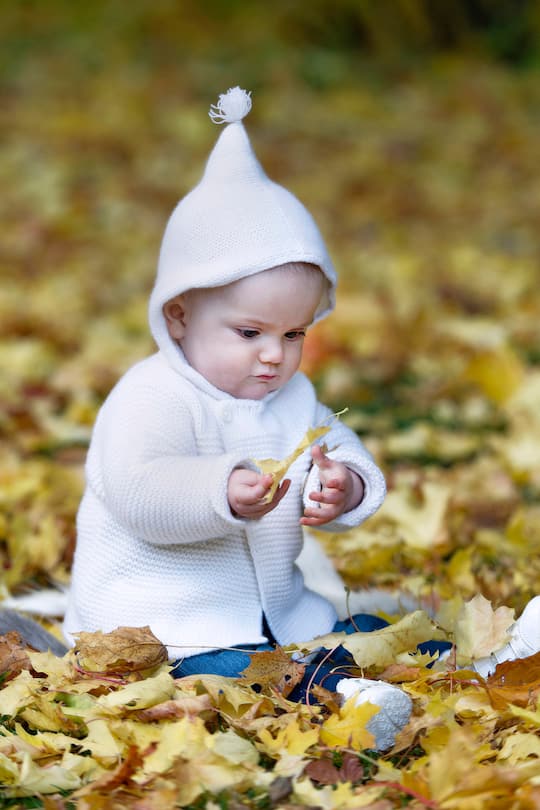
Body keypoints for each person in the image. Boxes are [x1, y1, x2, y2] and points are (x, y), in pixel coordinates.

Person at [61, 87, 540, 751]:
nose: (274, 355)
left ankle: (490, 665)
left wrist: (344, 485)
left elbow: (340, 448)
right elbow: (138, 491)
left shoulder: (291, 397)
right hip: (169, 629)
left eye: (294, 334)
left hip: (282, 614)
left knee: (368, 634)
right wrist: (218, 489)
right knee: (236, 677)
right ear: (178, 314)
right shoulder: (150, 397)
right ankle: (350, 705)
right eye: (250, 331)